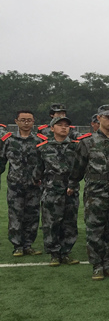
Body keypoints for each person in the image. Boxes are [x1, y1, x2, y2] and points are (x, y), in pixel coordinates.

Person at [70, 105, 109, 280]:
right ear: (99, 118)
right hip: (95, 192)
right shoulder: (87, 142)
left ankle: (108, 264)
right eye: (108, 117)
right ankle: (97, 266)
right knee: (95, 229)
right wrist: (72, 183)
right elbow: (78, 166)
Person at [34, 115, 81, 265]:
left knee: (70, 223)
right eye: (60, 125)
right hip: (52, 190)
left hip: (71, 189)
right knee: (51, 223)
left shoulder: (76, 147)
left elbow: (81, 168)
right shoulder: (43, 147)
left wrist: (73, 184)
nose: (63, 128)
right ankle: (54, 253)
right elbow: (37, 170)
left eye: (66, 125)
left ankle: (65, 252)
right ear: (52, 128)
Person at [0, 109, 44, 257]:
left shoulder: (39, 141)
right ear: (16, 121)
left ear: (33, 122)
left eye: (29, 120)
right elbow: (1, 161)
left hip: (34, 185)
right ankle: (17, 246)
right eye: (23, 120)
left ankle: (28, 245)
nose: (26, 123)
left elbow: (44, 163)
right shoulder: (8, 140)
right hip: (15, 185)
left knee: (32, 215)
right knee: (15, 215)